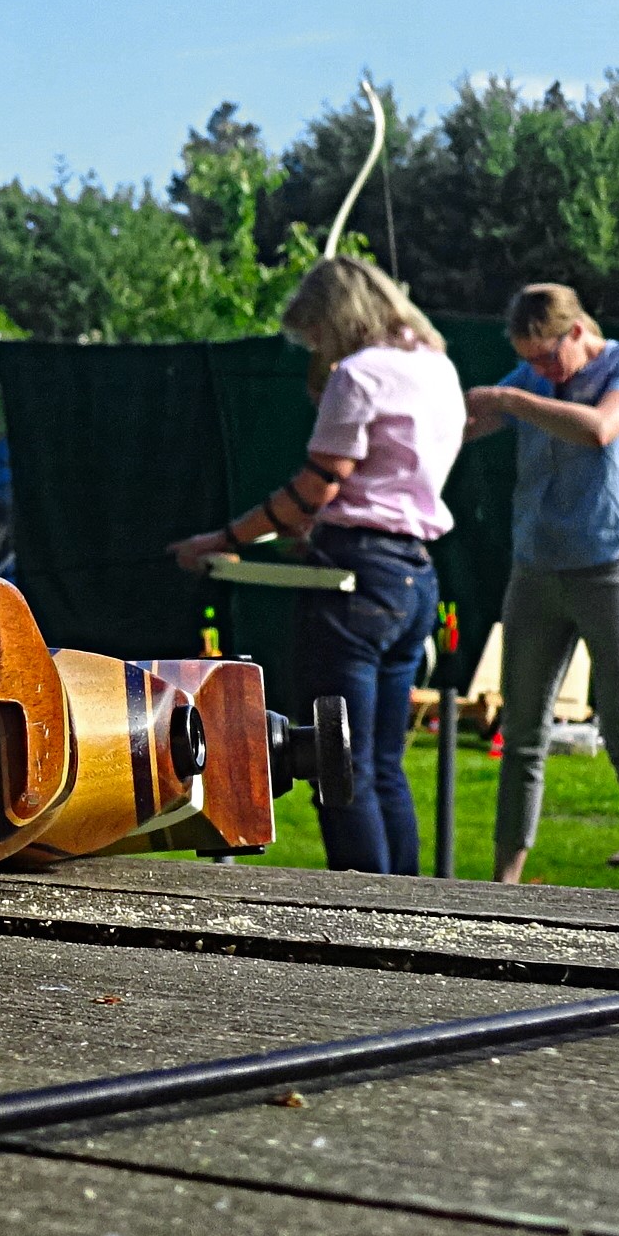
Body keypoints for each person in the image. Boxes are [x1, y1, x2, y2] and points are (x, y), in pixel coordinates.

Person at [162, 256, 464, 875]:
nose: (318, 350)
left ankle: (364, 921)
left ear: (336, 318)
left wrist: (221, 539)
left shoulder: (361, 373)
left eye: (317, 334)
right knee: (380, 763)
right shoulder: (437, 368)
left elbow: (319, 484)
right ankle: (411, 915)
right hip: (412, 574)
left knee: (336, 759)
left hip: (355, 579)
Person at [463, 283, 619, 891]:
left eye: (545, 357)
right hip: (535, 571)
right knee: (521, 734)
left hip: (614, 569)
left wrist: (510, 396)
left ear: (578, 331)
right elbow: (464, 424)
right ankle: (504, 884)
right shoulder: (531, 378)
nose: (538, 370)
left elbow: (601, 429)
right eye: (527, 360)